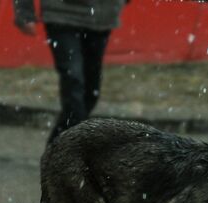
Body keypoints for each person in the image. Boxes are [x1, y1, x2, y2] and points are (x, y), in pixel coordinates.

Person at [13, 0, 127, 144]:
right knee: (74, 83)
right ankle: (69, 151)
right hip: (61, 14)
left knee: (90, 91)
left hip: (101, 18)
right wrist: (24, 12)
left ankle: (57, 149)